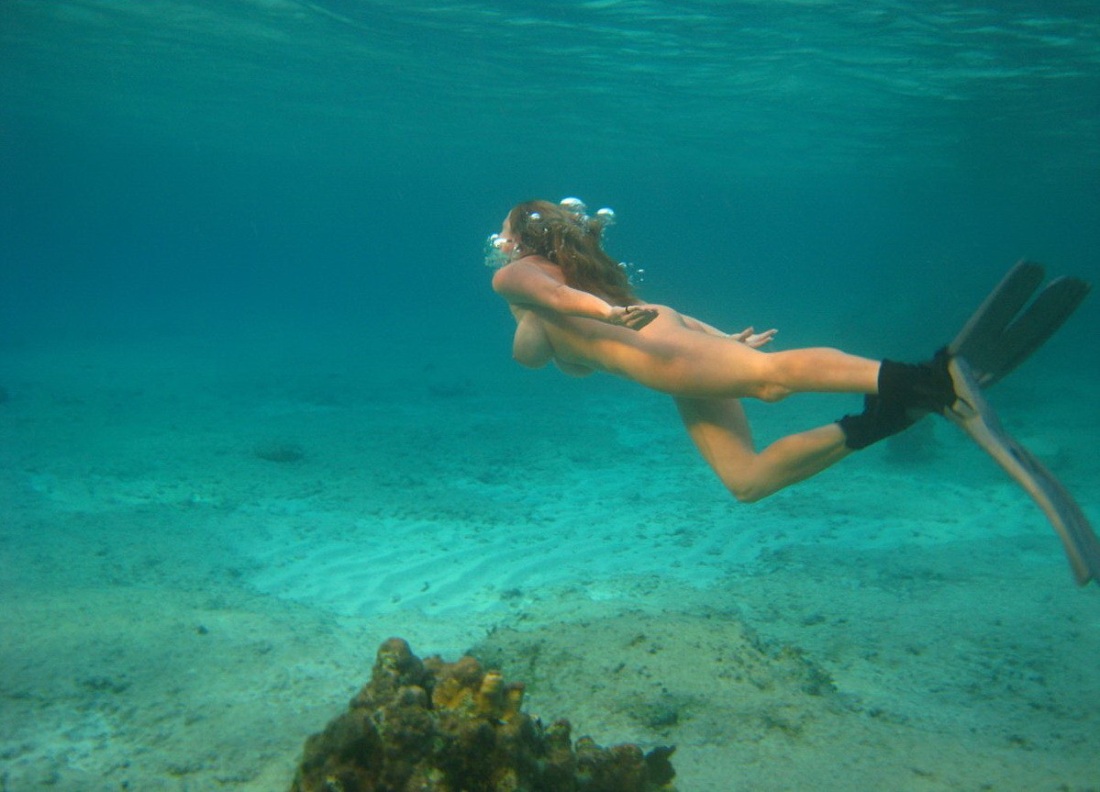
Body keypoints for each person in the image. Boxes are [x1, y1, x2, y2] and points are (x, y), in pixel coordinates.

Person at [487, 198, 957, 503]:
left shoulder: (516, 276)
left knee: (769, 378)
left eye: (504, 231)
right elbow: (648, 315)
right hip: (668, 351)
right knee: (747, 481)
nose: (500, 241)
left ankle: (924, 380)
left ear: (522, 239)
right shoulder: (552, 296)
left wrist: (602, 316)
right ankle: (886, 417)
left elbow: (555, 302)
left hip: (664, 356)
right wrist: (720, 337)